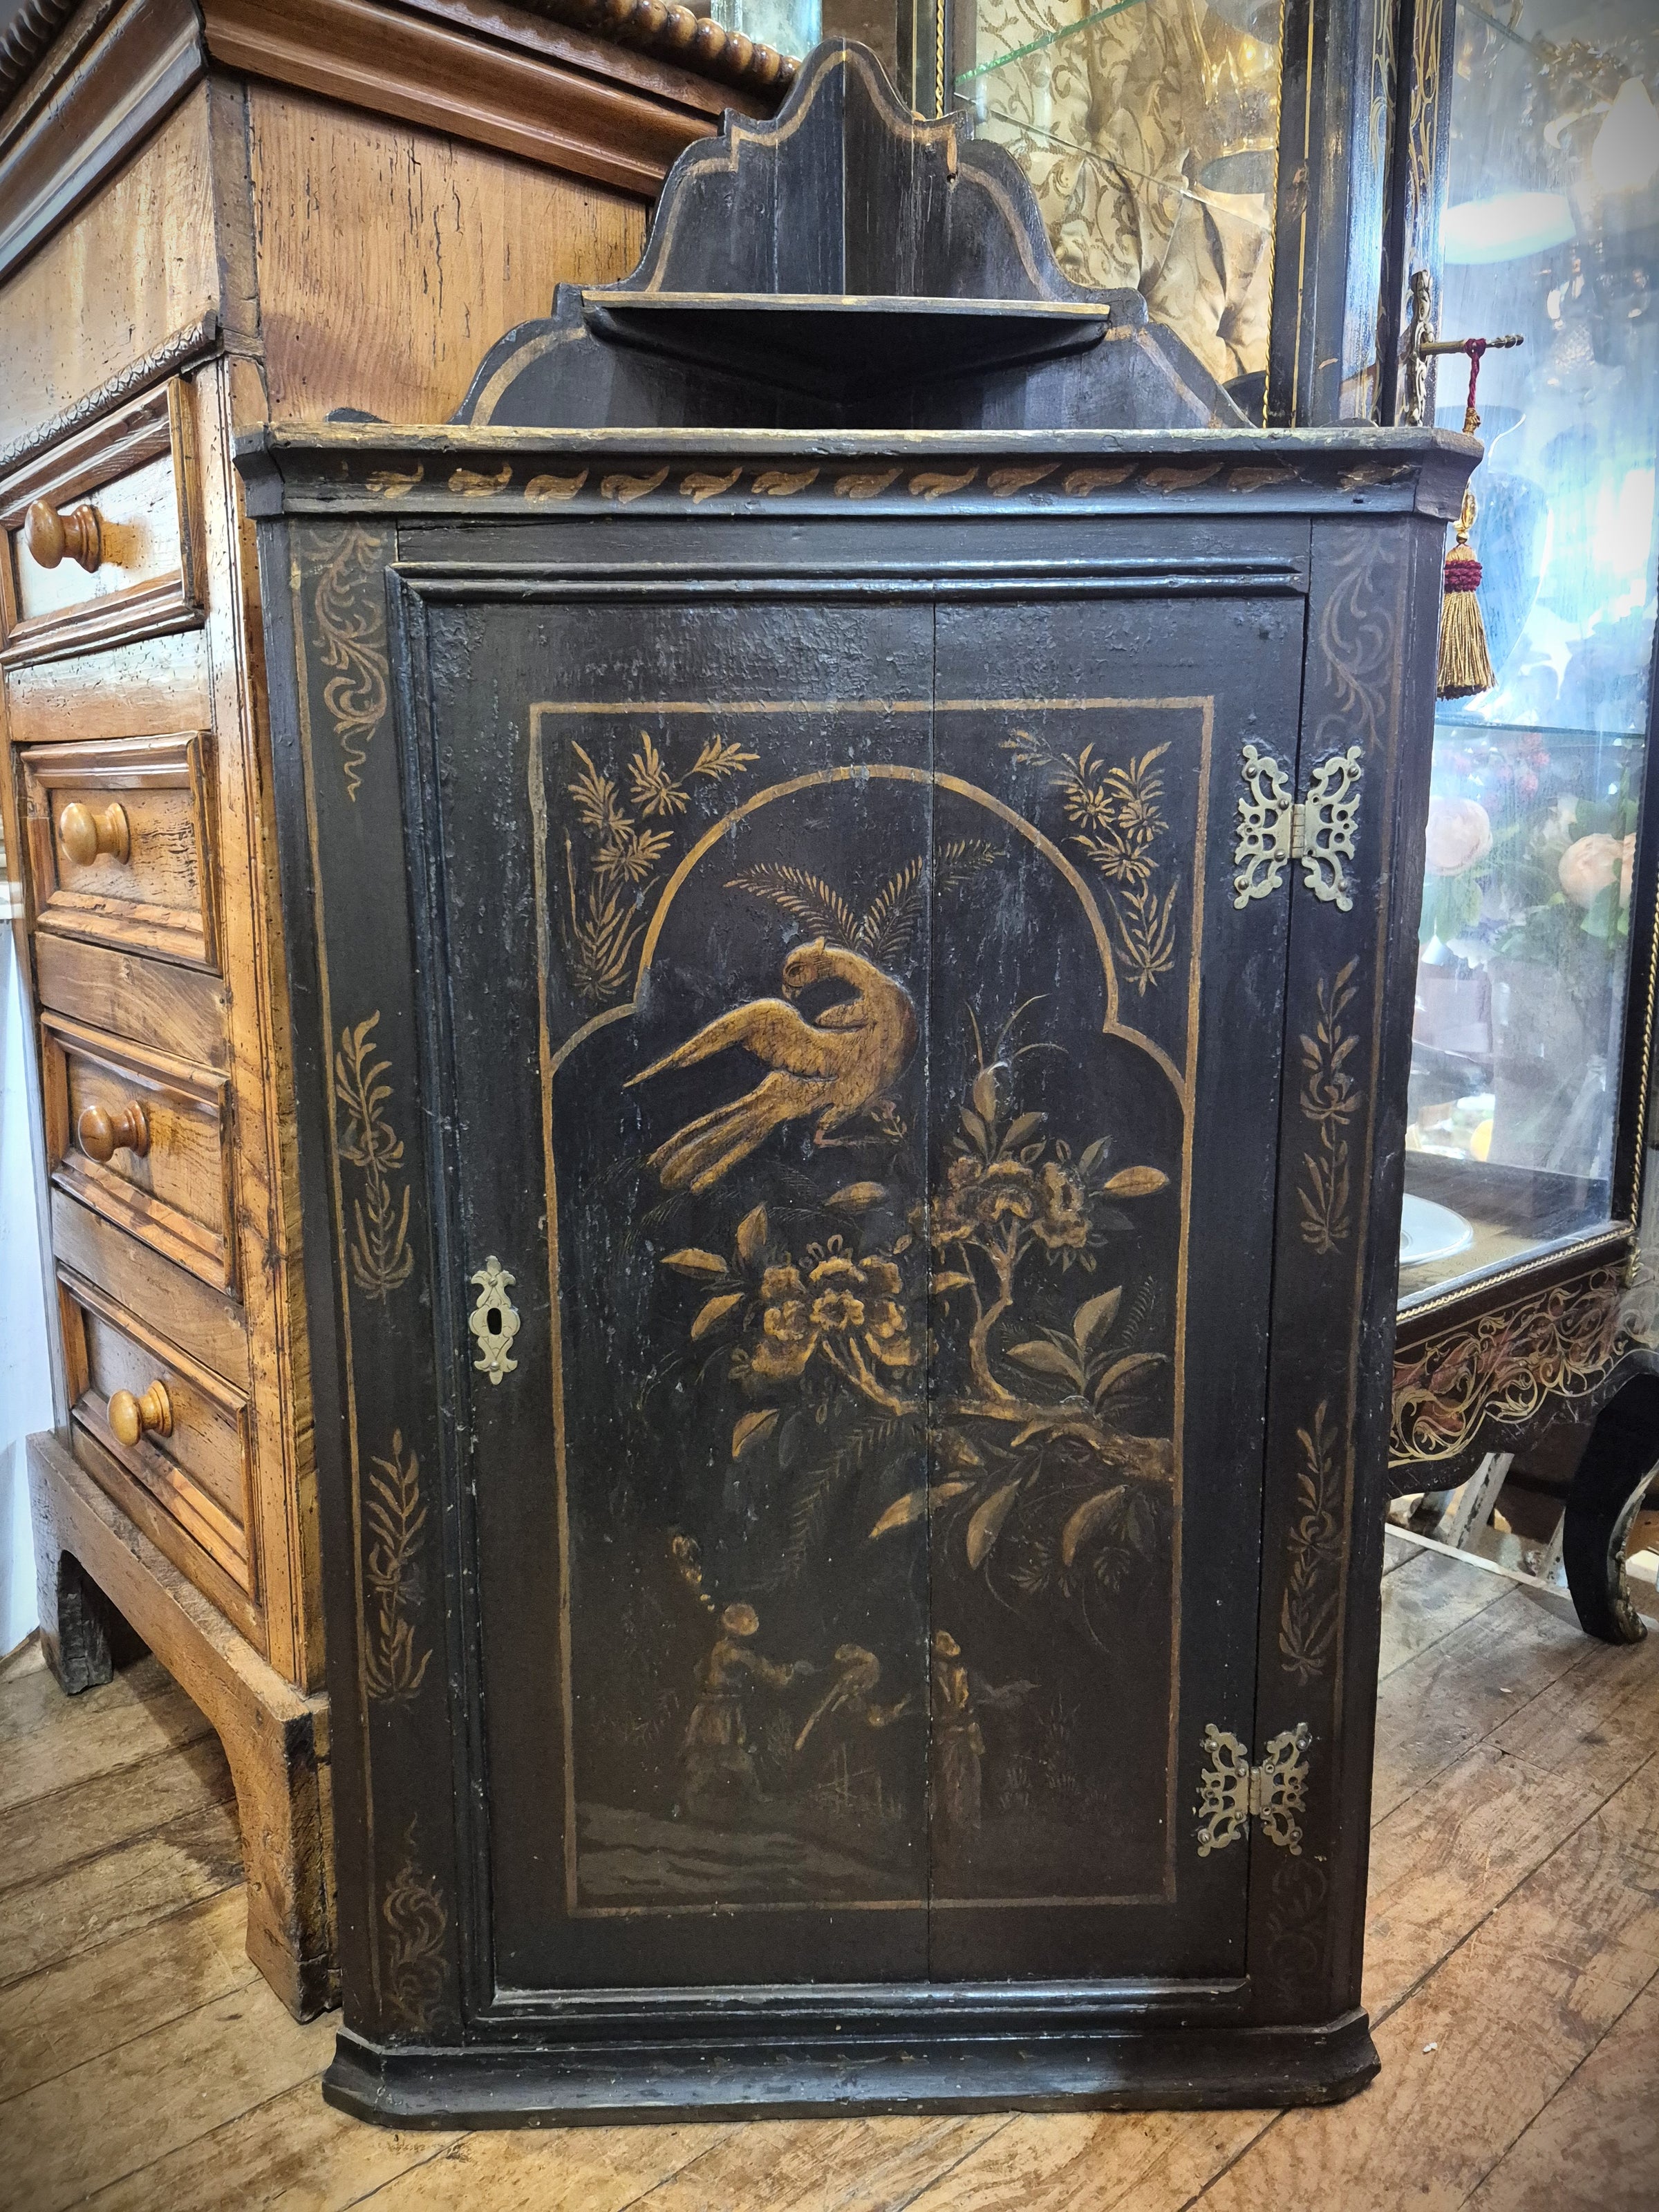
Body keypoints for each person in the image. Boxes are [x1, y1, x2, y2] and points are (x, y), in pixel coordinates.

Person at [677, 1602, 810, 1816]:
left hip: (715, 1707)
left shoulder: (720, 1647)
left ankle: (740, 1796)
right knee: (720, 1756)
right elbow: (766, 1673)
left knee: (717, 1756)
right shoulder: (735, 1653)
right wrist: (785, 1675)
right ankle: (697, 1799)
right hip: (719, 1712)